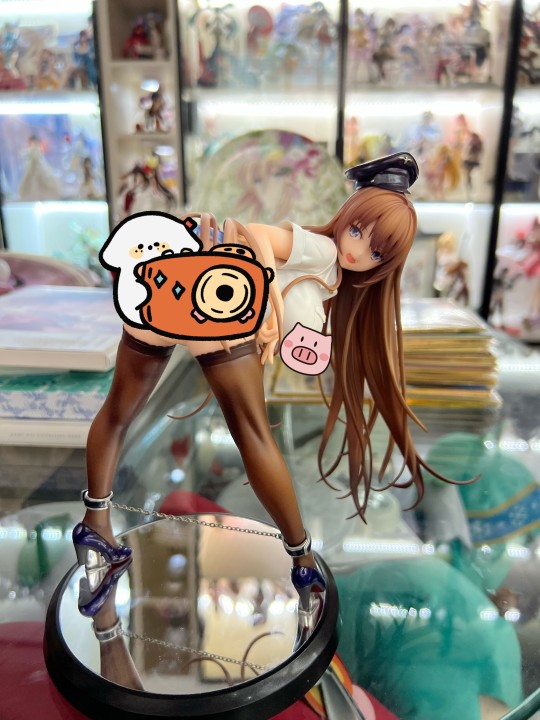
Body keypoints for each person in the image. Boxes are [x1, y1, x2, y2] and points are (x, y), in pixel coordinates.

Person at [72, 152, 455, 630]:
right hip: (213, 303)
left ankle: (95, 524)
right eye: (357, 230)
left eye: (377, 252)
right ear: (345, 217)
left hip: (162, 289)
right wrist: (268, 305)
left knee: (118, 413)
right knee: (254, 436)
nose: (357, 251)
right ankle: (302, 558)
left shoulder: (334, 275)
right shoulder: (323, 252)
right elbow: (256, 235)